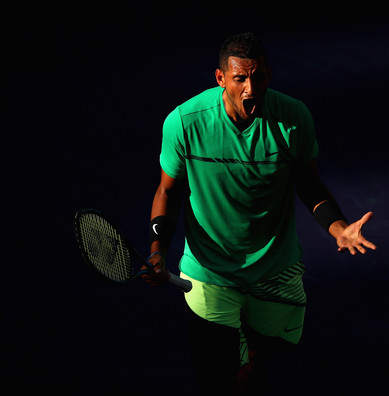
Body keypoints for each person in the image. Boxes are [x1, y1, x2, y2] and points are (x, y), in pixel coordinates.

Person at [142, 32, 376, 395]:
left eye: (259, 76)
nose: (251, 88)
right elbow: (167, 191)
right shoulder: (185, 122)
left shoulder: (293, 118)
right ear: (221, 79)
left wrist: (339, 228)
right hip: (210, 270)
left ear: (268, 74)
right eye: (240, 79)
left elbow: (309, 184)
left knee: (254, 365)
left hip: (273, 269)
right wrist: (158, 248)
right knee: (217, 372)